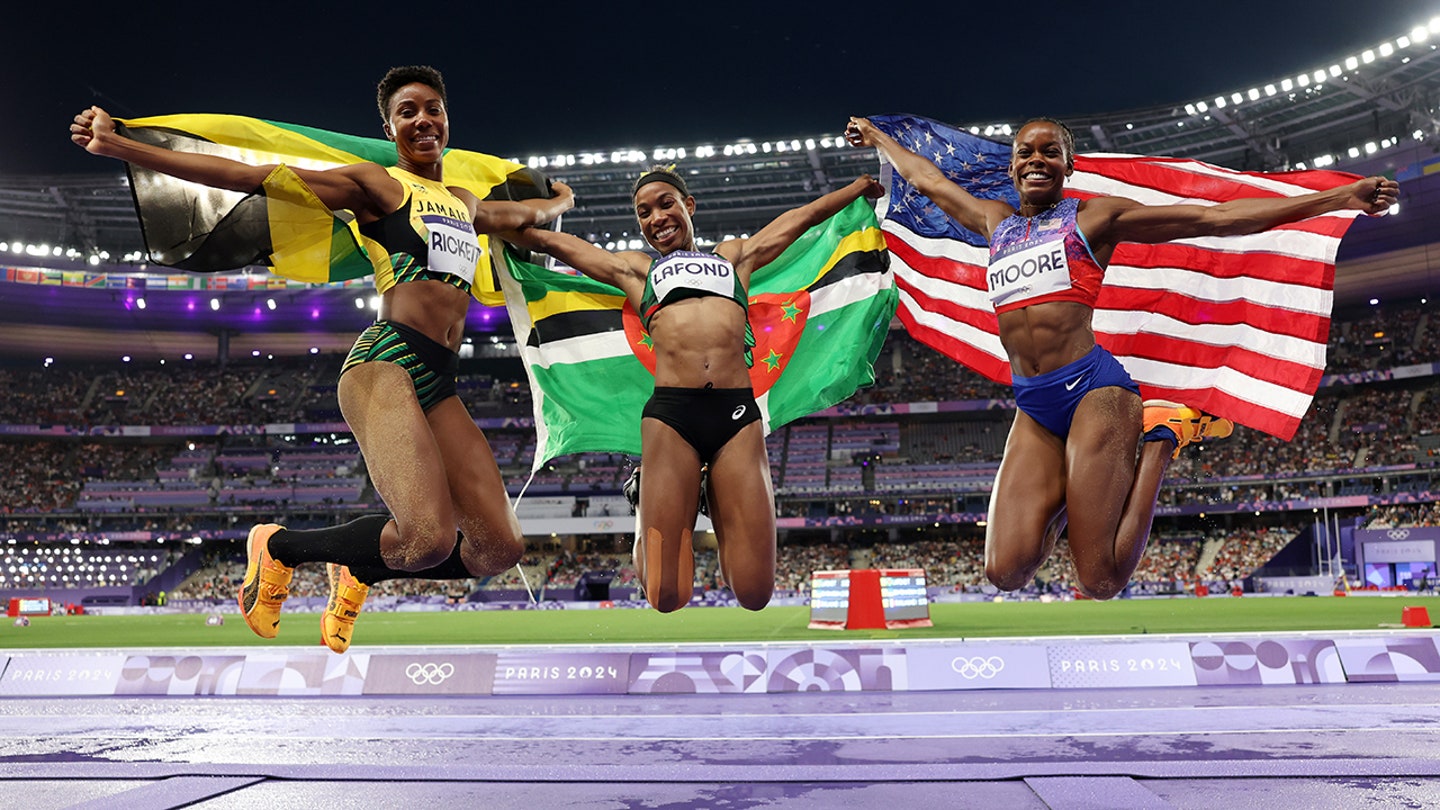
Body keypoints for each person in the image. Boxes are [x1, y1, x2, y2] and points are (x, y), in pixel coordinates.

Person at [72, 65, 574, 651]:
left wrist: (558, 198)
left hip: (442, 380)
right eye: (406, 112)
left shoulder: (463, 201)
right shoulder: (377, 186)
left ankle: (358, 566)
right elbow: (247, 176)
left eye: (431, 108)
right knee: (428, 540)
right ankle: (278, 548)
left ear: (446, 118)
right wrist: (119, 146)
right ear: (390, 129)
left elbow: (514, 219)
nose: (422, 120)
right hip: (386, 361)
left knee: (498, 549)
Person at [845, 115, 1397, 600]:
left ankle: (1161, 438)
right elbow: (929, 178)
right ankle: (1079, 482)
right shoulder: (996, 224)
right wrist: (877, 137)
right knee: (1004, 571)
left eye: (1048, 152)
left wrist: (1337, 199)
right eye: (1025, 152)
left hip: (1095, 392)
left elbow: (1213, 220)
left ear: (1066, 165)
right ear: (1012, 166)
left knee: (1101, 579)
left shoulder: (1095, 220)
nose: (1036, 160)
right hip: (1034, 405)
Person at [506, 166, 884, 612]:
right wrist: (550, 204)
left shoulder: (733, 259)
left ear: (689, 205)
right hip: (672, 417)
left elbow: (799, 218)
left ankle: (712, 496)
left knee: (755, 592)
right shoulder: (637, 269)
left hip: (735, 416)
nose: (656, 217)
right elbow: (546, 240)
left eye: (666, 203)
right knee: (667, 595)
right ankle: (644, 493)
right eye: (644, 212)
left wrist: (857, 188)